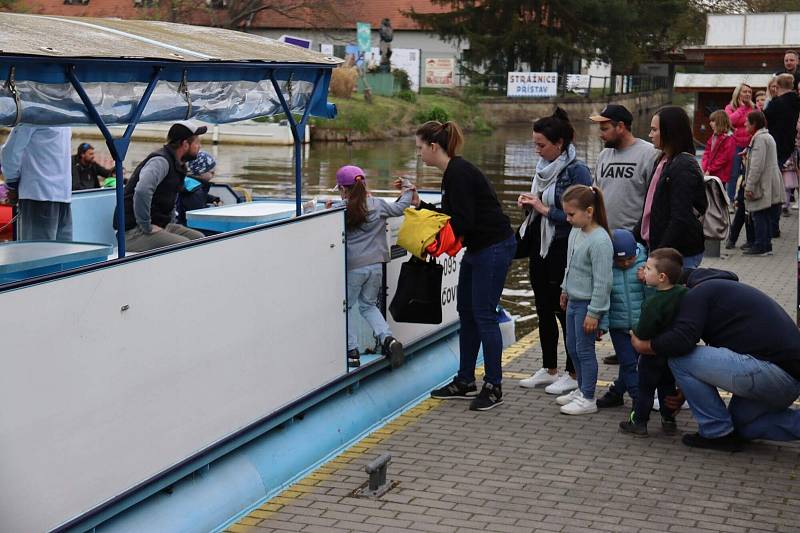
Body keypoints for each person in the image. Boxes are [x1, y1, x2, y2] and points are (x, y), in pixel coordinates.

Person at [632, 269, 800, 452]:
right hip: (787, 379)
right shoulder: (723, 291)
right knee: (742, 427)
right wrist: (685, 391)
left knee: (679, 360)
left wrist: (644, 346)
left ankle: (716, 432)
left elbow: (681, 341)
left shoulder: (698, 293)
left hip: (772, 372)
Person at [421, 121, 516, 412]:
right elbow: (454, 214)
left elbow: (462, 221)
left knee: (484, 315)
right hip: (478, 248)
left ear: (433, 147)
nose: (419, 154)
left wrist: (428, 233)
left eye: (419, 148)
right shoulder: (452, 173)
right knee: (467, 312)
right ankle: (465, 379)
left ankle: (494, 385)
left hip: (493, 246)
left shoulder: (458, 174)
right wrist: (422, 206)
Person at [517, 108, 591, 394]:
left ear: (559, 144)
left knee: (565, 310)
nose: (537, 151)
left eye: (541, 145)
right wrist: (529, 206)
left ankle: (574, 372)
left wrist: (544, 208)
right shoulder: (542, 170)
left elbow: (582, 214)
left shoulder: (576, 170)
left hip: (563, 245)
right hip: (540, 243)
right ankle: (549, 368)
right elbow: (541, 206)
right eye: (534, 144)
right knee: (543, 308)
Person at [336, 165, 413, 369]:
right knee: (368, 305)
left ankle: (352, 352)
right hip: (376, 266)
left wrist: (328, 208)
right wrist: (409, 188)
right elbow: (401, 207)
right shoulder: (378, 205)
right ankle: (388, 339)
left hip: (354, 268)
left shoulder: (341, 209)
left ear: (343, 189)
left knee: (347, 308)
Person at [556, 184, 613, 415]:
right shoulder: (576, 232)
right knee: (572, 346)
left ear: (589, 211)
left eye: (571, 214)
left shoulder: (600, 241)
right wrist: (564, 289)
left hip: (588, 304)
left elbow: (603, 281)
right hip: (573, 299)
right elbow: (571, 266)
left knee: (585, 350)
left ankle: (588, 397)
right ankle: (581, 388)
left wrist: (595, 312)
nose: (567, 219)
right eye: (566, 214)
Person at [618, 248, 686, 437]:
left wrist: (633, 328)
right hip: (669, 352)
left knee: (645, 389)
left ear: (662, 276)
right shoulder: (682, 293)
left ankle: (639, 422)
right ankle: (669, 420)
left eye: (648, 269)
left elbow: (644, 330)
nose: (643, 272)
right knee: (667, 387)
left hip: (651, 354)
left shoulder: (653, 303)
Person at [114, 121, 206, 252]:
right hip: (133, 232)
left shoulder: (179, 165)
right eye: (197, 142)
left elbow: (171, 197)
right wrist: (146, 225)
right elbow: (142, 191)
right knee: (185, 246)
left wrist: (171, 222)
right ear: (185, 144)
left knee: (200, 239)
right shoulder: (161, 162)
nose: (199, 146)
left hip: (160, 225)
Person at [634, 106, 707, 268]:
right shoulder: (662, 160)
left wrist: (657, 255)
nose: (650, 135)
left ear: (670, 131)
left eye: (654, 130)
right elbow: (651, 207)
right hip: (659, 249)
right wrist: (635, 237)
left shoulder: (683, 166)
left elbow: (681, 217)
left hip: (676, 254)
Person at [595, 229, 647, 409]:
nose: (625, 263)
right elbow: (604, 299)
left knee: (629, 365)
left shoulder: (646, 266)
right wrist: (602, 325)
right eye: (620, 260)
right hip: (618, 328)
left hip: (641, 327)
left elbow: (654, 296)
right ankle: (638, 402)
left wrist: (648, 280)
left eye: (629, 259)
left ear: (636, 253)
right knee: (629, 364)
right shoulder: (607, 269)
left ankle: (617, 393)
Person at [591, 104, 659, 232]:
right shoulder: (603, 155)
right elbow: (595, 195)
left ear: (620, 127)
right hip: (603, 235)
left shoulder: (650, 153)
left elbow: (656, 200)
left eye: (605, 129)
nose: (601, 134)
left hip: (634, 238)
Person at [0, 125, 73, 241]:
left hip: (40, 195)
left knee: (37, 253)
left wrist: (12, 184)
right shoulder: (66, 118)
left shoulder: (34, 113)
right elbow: (9, 153)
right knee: (59, 254)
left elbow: (10, 152)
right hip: (60, 195)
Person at [742, 110, 784, 256]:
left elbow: (757, 166)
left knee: (759, 213)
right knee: (764, 214)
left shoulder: (759, 139)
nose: (745, 124)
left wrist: (749, 186)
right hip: (769, 180)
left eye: (747, 121)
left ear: (754, 124)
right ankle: (766, 245)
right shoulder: (766, 136)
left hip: (762, 182)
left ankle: (761, 245)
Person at [725, 83, 754, 202]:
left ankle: (743, 200)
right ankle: (730, 200)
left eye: (749, 92)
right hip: (735, 145)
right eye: (744, 91)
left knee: (749, 174)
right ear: (738, 93)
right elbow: (730, 121)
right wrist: (742, 108)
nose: (747, 94)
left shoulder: (754, 107)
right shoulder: (730, 107)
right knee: (733, 174)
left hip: (750, 145)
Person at [764, 73, 800, 169]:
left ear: (778, 85)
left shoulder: (775, 103)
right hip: (793, 145)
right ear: (792, 85)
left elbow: (763, 121)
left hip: (776, 146)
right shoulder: (796, 101)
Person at [176, 151, 221, 226]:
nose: (214, 174)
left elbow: (201, 196)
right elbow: (198, 218)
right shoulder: (196, 193)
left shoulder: (187, 183)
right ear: (200, 172)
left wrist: (213, 199)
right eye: (212, 172)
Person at [700, 110, 735, 186]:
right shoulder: (713, 137)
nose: (710, 123)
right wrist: (704, 167)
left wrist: (710, 169)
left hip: (720, 176)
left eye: (713, 121)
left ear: (720, 122)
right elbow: (707, 152)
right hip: (710, 173)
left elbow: (724, 158)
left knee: (718, 196)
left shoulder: (728, 138)